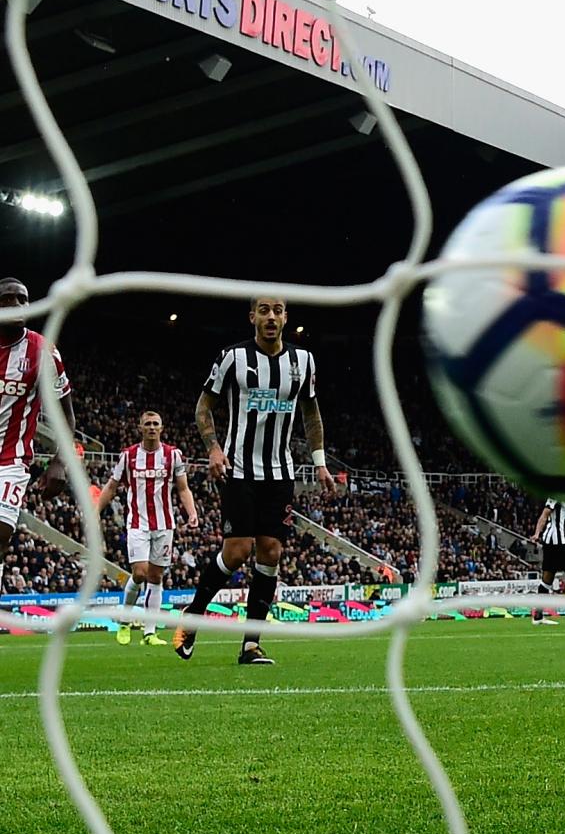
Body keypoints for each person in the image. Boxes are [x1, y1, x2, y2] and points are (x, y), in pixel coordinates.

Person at [175, 295, 334, 666]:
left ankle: (251, 644)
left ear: (285, 318)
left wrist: (320, 463)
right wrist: (213, 448)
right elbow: (203, 407)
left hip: (280, 472)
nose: (271, 317)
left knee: (272, 552)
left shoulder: (303, 361)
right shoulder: (233, 357)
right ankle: (192, 616)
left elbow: (312, 414)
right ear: (252, 317)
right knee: (236, 552)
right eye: (264, 310)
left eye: (278, 311)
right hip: (239, 469)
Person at [98, 409, 198, 645]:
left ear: (161, 428)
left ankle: (149, 633)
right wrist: (95, 511)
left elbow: (183, 488)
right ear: (140, 428)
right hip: (137, 524)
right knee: (140, 573)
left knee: (156, 576)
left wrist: (192, 512)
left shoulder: (173, 455)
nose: (152, 427)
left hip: (164, 525)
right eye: (148, 424)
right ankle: (124, 621)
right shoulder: (129, 456)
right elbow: (112, 487)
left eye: (156, 423)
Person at [0, 276, 75, 564]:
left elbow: (67, 415)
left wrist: (59, 462)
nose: (18, 305)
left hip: (12, 461)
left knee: (1, 533)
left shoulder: (43, 351)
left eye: (23, 299)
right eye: (8, 298)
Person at [529, 498, 565, 624]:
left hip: (553, 542)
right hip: (556, 542)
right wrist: (536, 533)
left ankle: (538, 616)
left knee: (547, 578)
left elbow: (561, 518)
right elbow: (545, 514)